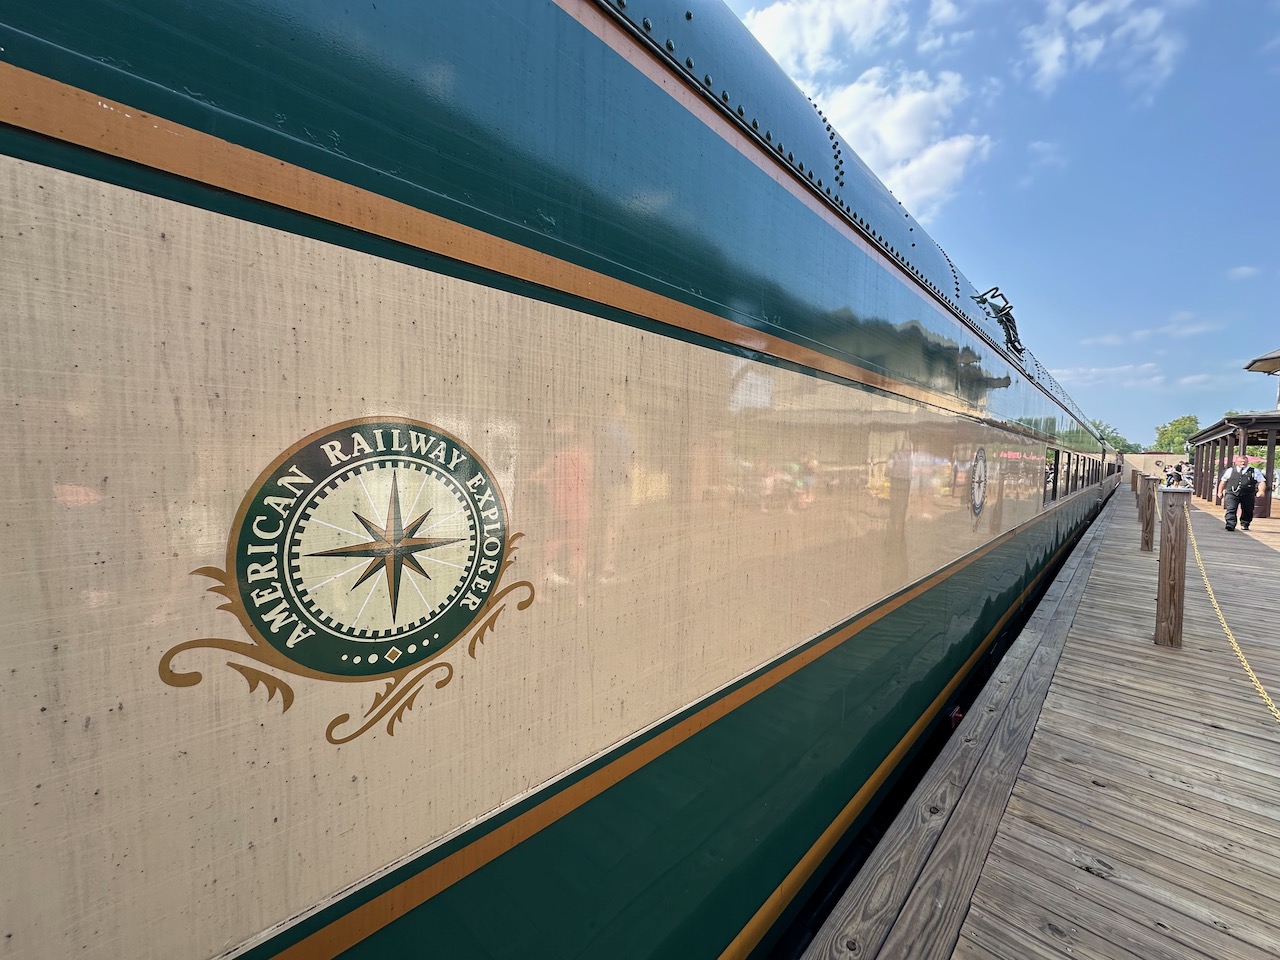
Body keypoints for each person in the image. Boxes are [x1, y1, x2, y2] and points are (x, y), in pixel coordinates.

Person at [1216, 453, 1267, 531]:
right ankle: (1230, 524)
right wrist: (1220, 492)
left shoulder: (1254, 471)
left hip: (1248, 493)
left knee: (1248, 509)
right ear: (1236, 462)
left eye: (1244, 462)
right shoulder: (1230, 470)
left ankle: (1245, 523)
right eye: (1240, 461)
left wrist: (1261, 491)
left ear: (1247, 462)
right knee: (1231, 508)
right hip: (1232, 493)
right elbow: (1223, 481)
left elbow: (1262, 481)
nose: (1243, 463)